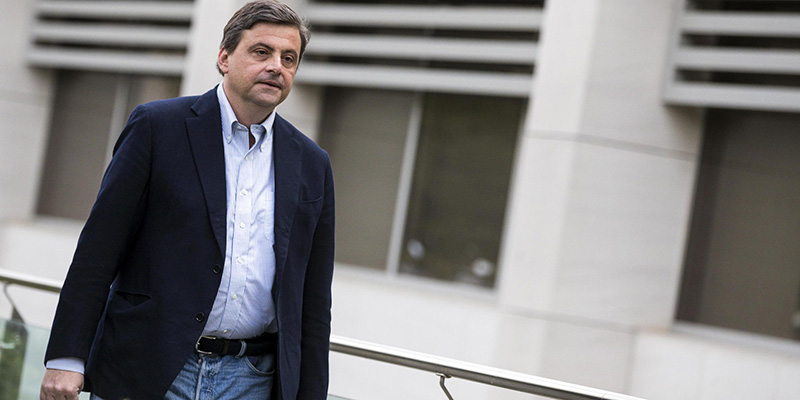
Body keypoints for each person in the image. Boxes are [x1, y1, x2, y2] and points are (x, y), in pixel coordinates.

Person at [39, 1, 334, 399]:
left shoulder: (313, 164)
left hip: (252, 380)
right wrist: (66, 358)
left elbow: (313, 303)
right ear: (225, 57)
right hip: (148, 368)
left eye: (289, 58)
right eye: (261, 52)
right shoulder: (157, 128)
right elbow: (98, 250)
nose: (276, 66)